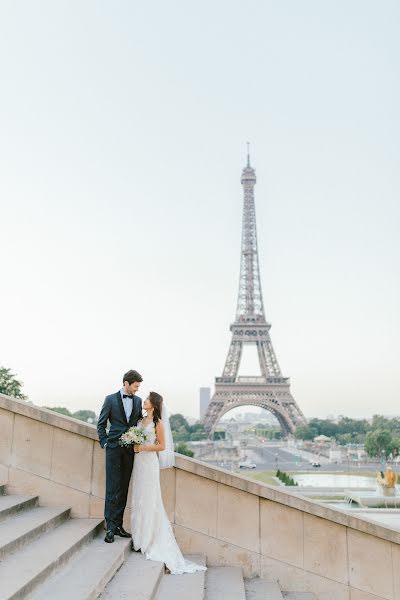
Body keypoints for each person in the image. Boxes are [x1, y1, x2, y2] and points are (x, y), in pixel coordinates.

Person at [131, 391, 206, 575]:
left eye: (147, 399)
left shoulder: (159, 424)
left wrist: (143, 447)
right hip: (139, 463)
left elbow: (162, 446)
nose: (145, 401)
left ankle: (148, 538)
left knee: (150, 499)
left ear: (154, 404)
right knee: (139, 497)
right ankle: (140, 536)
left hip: (149, 463)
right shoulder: (140, 421)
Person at [97, 369, 143, 543]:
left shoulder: (138, 401)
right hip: (113, 449)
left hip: (129, 451)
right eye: (135, 386)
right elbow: (101, 424)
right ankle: (109, 527)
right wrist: (105, 442)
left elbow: (139, 424)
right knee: (112, 488)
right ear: (126, 383)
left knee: (123, 488)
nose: (137, 390)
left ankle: (118, 525)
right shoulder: (110, 399)